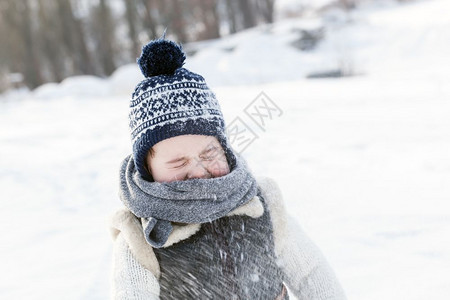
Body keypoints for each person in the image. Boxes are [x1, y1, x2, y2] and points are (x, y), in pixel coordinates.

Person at [109, 37, 346, 300]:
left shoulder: (261, 203)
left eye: (209, 154)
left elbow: (309, 272)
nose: (199, 172)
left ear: (224, 149)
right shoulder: (139, 236)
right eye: (178, 163)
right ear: (147, 169)